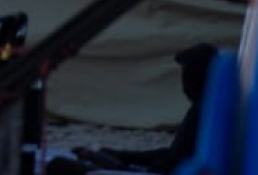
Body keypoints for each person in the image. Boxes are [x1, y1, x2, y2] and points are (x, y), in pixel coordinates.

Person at [51, 44, 219, 174]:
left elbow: (169, 164)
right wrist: (121, 155)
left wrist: (119, 166)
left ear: (194, 77)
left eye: (186, 73)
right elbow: (172, 154)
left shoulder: (200, 113)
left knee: (59, 165)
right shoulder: (209, 109)